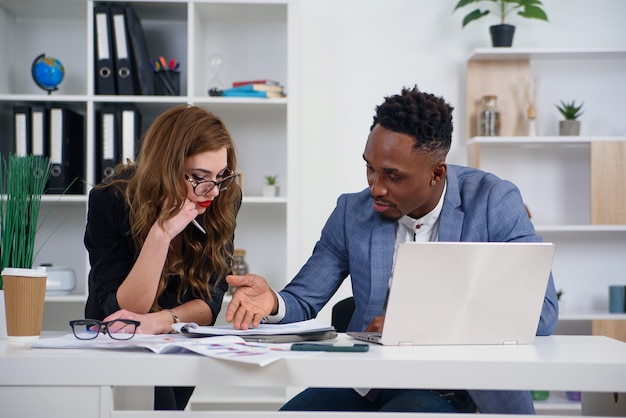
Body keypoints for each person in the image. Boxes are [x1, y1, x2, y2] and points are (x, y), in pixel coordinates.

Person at [225, 86, 559, 414]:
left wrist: (417, 325)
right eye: (370, 167)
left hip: (451, 385)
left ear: (436, 173)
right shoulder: (351, 213)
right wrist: (272, 302)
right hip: (367, 383)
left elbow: (540, 312)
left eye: (393, 176)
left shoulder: (492, 202)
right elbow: (303, 300)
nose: (376, 186)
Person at [84, 104, 241, 410]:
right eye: (199, 176)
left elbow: (209, 302)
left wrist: (160, 322)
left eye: (221, 175)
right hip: (118, 342)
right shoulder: (111, 199)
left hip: (178, 338)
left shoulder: (222, 199)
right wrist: (161, 234)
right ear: (165, 169)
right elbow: (125, 309)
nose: (213, 191)